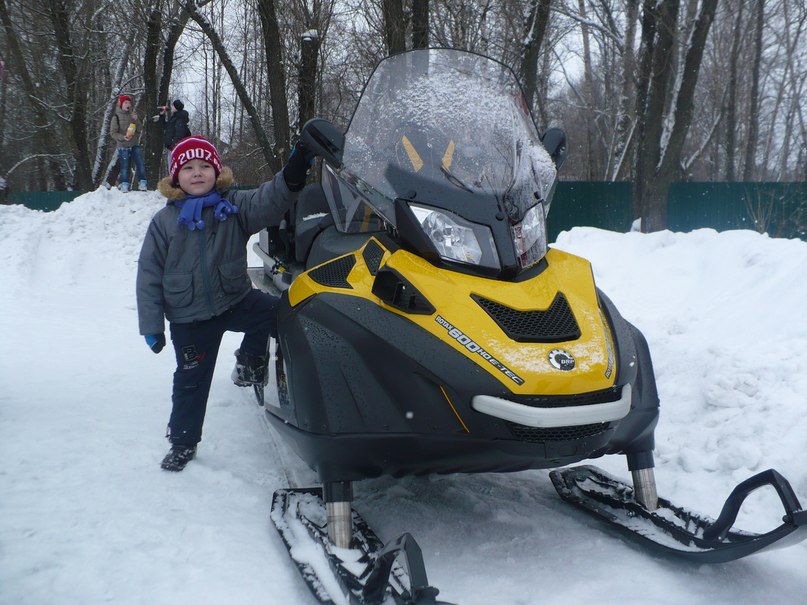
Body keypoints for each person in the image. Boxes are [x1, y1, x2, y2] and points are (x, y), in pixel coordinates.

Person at [136, 134, 315, 471]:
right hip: (190, 319)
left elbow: (271, 199)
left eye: (205, 166)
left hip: (235, 300)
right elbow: (148, 275)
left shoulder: (233, 208)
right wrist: (151, 326)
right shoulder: (164, 223)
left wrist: (297, 165)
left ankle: (250, 359)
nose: (198, 173)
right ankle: (183, 442)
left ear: (217, 173)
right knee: (191, 381)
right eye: (188, 167)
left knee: (280, 315)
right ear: (176, 177)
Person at [111, 95, 148, 192]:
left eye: (129, 102)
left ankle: (142, 183)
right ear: (121, 104)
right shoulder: (116, 117)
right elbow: (113, 133)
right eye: (126, 103)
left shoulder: (133, 115)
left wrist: (137, 120)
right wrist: (122, 137)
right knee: (124, 165)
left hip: (134, 144)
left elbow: (140, 129)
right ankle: (124, 184)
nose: (128, 104)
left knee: (140, 163)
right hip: (123, 145)